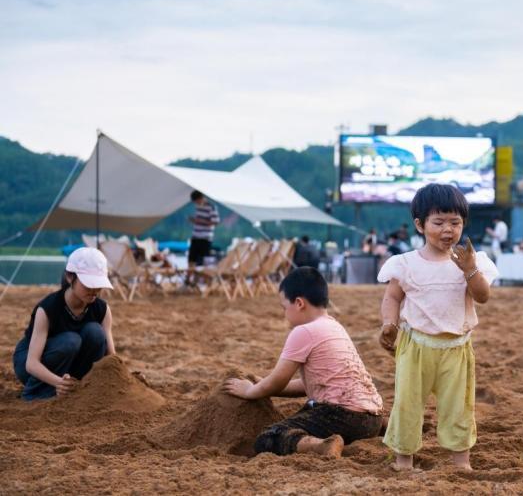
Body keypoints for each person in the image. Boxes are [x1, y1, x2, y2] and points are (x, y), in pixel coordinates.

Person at [377, 183, 498, 471]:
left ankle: (461, 463)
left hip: (456, 348)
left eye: (455, 222)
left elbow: (482, 296)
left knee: (459, 407)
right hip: (415, 345)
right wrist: (388, 323)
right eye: (439, 222)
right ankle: (403, 460)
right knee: (407, 404)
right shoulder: (405, 263)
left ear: (464, 224)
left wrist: (469, 269)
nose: (448, 230)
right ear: (420, 225)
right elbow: (392, 297)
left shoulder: (474, 262)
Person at [223, 267, 383, 457]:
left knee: (270, 437)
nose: (284, 314)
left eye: (284, 308)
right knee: (310, 407)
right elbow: (309, 384)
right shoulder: (334, 326)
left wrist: (249, 390)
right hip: (372, 419)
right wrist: (263, 382)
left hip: (343, 417)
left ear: (299, 303)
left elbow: (278, 381)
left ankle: (320, 446)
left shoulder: (303, 331)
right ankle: (387, 426)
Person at [12, 247, 115, 400]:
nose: (94, 290)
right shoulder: (47, 309)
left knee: (95, 332)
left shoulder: (102, 309)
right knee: (70, 340)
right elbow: (31, 364)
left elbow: (111, 358)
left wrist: (128, 379)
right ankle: (39, 392)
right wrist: (58, 382)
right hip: (31, 363)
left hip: (69, 363)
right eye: (88, 284)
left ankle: (78, 386)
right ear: (69, 277)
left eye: (98, 285)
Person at [187, 190, 220, 269]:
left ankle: (200, 278)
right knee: (191, 259)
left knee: (204, 261)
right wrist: (194, 221)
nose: (196, 203)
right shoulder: (198, 207)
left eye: (197, 201)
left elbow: (216, 222)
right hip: (195, 237)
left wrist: (199, 221)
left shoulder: (211, 207)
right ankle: (189, 278)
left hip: (205, 238)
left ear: (201, 198)